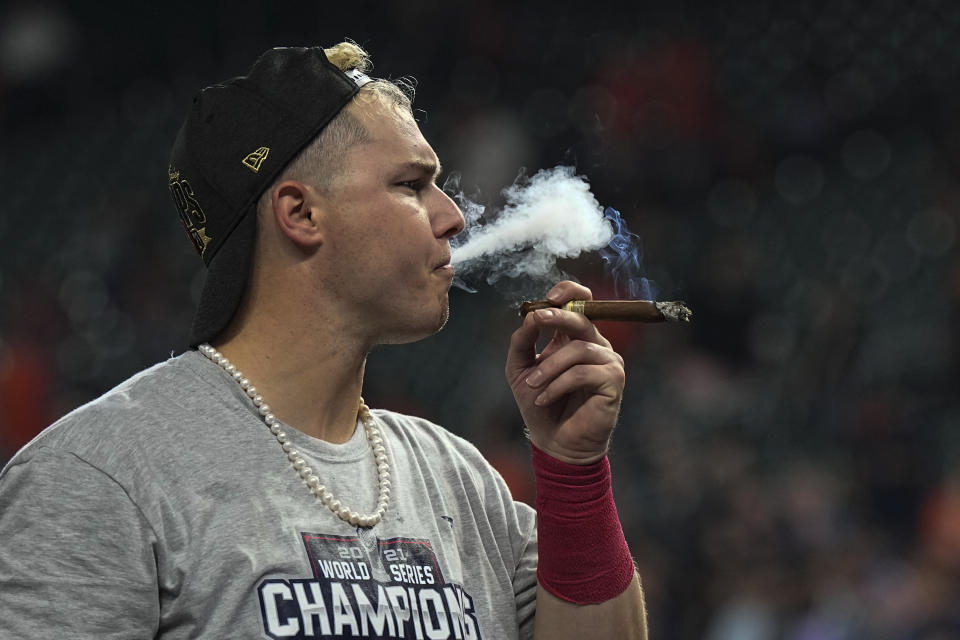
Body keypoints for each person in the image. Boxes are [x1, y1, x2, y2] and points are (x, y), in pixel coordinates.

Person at [0, 43, 647, 639]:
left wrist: (573, 470)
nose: (450, 216)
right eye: (411, 185)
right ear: (301, 214)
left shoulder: (460, 480)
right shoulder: (98, 478)